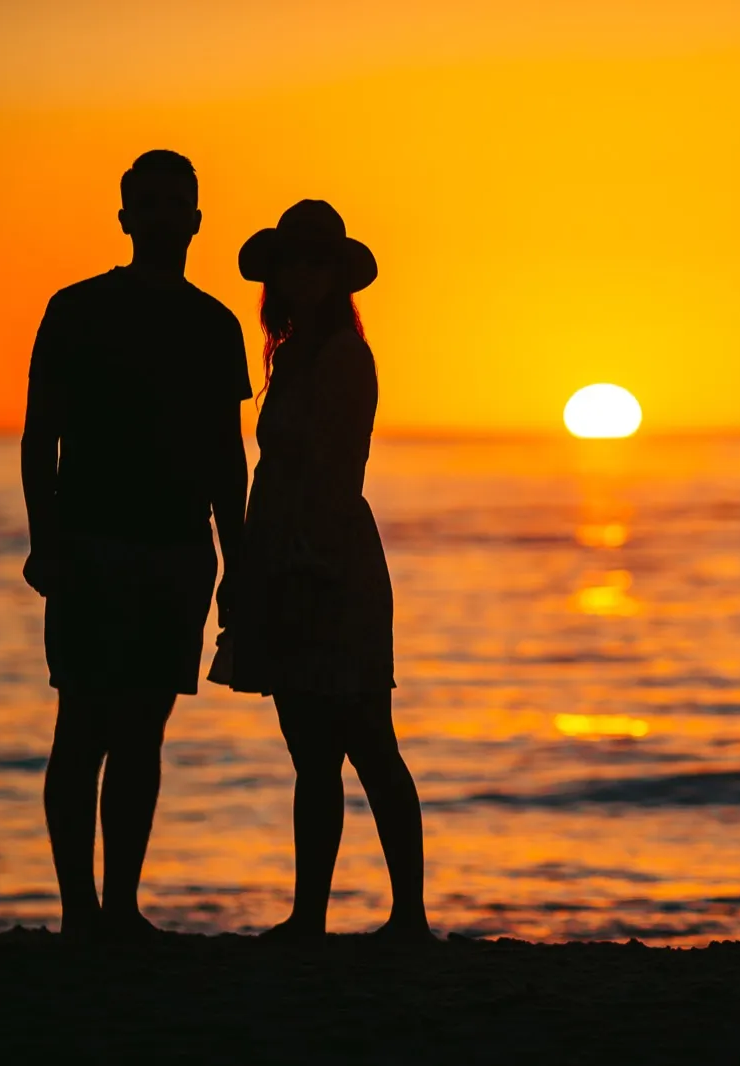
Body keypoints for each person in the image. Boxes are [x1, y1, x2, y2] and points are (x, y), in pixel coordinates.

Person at [20, 150, 251, 941]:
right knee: (81, 726)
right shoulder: (76, 309)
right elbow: (38, 437)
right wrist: (43, 541)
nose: (156, 217)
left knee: (143, 734)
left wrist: (238, 562)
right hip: (89, 545)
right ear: (124, 219)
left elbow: (228, 455)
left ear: (194, 218)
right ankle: (79, 911)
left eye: (171, 204)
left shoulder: (216, 325)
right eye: (142, 204)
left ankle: (120, 907)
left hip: (177, 551)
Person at [212, 199, 430, 942]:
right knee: (311, 749)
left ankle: (406, 915)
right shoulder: (295, 352)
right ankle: (310, 915)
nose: (302, 275)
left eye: (315, 262)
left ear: (336, 274)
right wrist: (249, 562)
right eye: (291, 263)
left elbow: (336, 470)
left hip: (327, 558)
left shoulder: (340, 355)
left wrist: (308, 562)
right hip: (286, 551)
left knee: (367, 738)